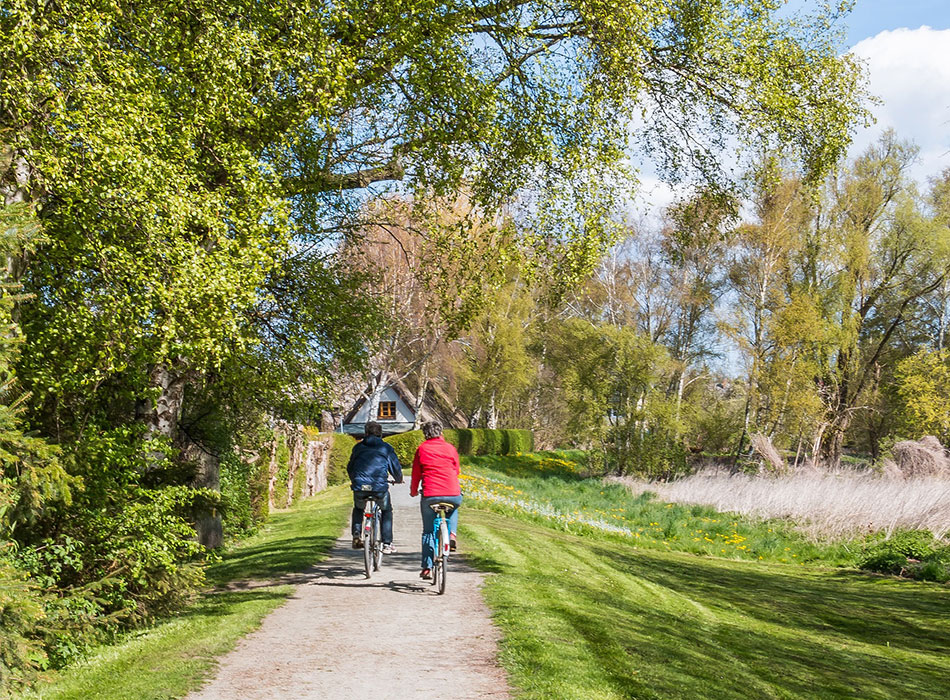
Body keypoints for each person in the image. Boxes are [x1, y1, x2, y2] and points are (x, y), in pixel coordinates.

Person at [409, 420, 462, 579]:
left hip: (430, 494)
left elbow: (416, 474)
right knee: (454, 507)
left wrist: (413, 492)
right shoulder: (450, 448)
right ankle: (452, 535)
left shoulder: (422, 449)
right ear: (441, 433)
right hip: (452, 492)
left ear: (425, 434)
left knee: (428, 531)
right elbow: (457, 470)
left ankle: (427, 567)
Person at [347, 421, 403, 554]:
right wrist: (398, 479)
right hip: (379, 487)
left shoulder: (358, 448)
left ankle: (356, 534)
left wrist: (354, 479)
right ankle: (387, 543)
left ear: (366, 433)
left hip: (360, 486)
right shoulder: (386, 448)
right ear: (381, 434)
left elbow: (350, 467)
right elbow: (395, 468)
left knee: (359, 508)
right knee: (386, 510)